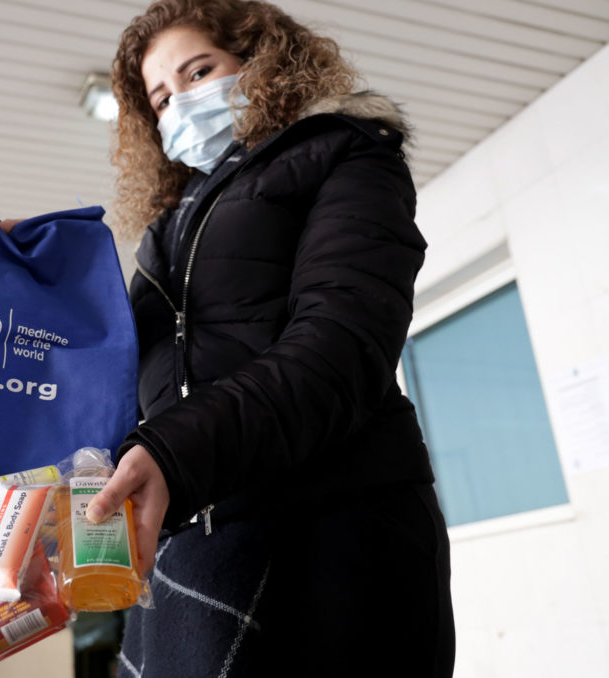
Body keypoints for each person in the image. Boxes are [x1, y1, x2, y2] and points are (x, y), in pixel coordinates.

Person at [78, 1, 457, 676]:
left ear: (261, 61)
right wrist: (35, 276)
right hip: (199, 538)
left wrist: (174, 453)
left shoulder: (347, 154)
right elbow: (121, 378)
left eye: (200, 71)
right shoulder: (169, 232)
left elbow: (340, 349)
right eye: (161, 98)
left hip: (332, 535)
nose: (181, 104)